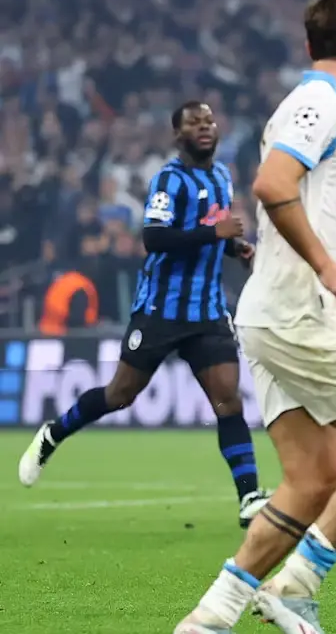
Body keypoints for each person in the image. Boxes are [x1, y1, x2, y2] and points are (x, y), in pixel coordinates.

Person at [175, 0, 336, 634]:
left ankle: (210, 617)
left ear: (312, 43)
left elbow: (289, 203)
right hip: (296, 314)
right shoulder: (321, 105)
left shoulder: (306, 101)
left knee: (312, 480)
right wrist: (327, 265)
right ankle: (297, 582)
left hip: (269, 311)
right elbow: (271, 185)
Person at [18, 101, 272, 528]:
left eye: (209, 121)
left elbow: (213, 231)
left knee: (229, 399)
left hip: (207, 309)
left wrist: (234, 247)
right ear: (178, 135)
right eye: (194, 123)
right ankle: (53, 434)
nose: (204, 128)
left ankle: (248, 497)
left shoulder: (222, 175)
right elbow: (154, 237)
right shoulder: (168, 180)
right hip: (161, 309)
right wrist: (217, 233)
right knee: (120, 394)